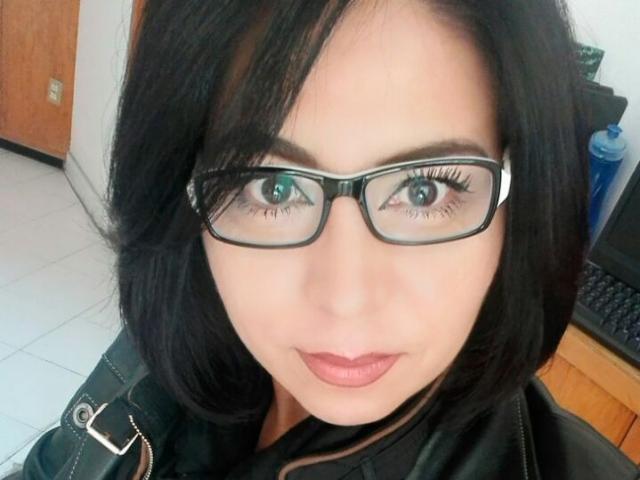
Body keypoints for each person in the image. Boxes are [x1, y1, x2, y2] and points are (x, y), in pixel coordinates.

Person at [15, 0, 640, 479]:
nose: (345, 299)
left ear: (522, 196)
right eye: (273, 187)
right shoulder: (184, 324)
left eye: (423, 189)